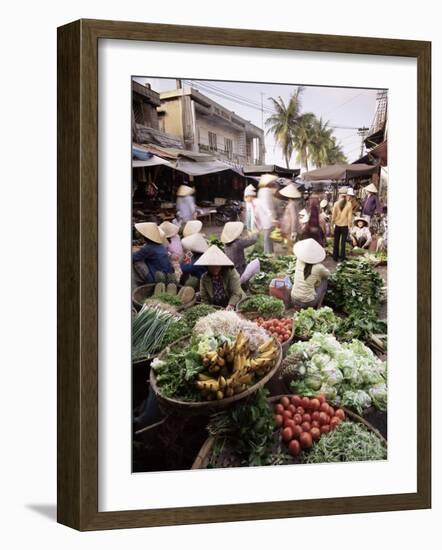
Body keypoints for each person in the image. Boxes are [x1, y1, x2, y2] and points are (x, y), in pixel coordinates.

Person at [291, 238, 330, 309]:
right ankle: (317, 307)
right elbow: (328, 274)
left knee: (312, 279)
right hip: (307, 302)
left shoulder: (299, 261)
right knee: (324, 280)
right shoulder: (319, 267)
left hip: (294, 298)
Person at [256, 174, 278, 254]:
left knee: (268, 238)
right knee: (268, 238)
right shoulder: (266, 191)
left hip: (265, 218)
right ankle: (268, 254)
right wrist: (272, 218)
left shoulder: (261, 191)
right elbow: (267, 206)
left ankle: (269, 253)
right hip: (267, 219)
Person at [331, 187, 353, 262]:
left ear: (340, 195)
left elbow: (333, 215)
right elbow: (350, 217)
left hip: (337, 225)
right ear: (346, 195)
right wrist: (350, 226)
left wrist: (332, 224)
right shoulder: (349, 204)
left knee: (336, 241)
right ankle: (342, 258)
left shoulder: (336, 204)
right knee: (343, 242)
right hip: (345, 226)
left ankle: (335, 257)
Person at [279, 183, 302, 250]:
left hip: (290, 228)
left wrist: (293, 231)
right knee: (291, 246)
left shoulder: (291, 204)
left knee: (291, 247)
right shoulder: (292, 203)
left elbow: (294, 218)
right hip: (290, 228)